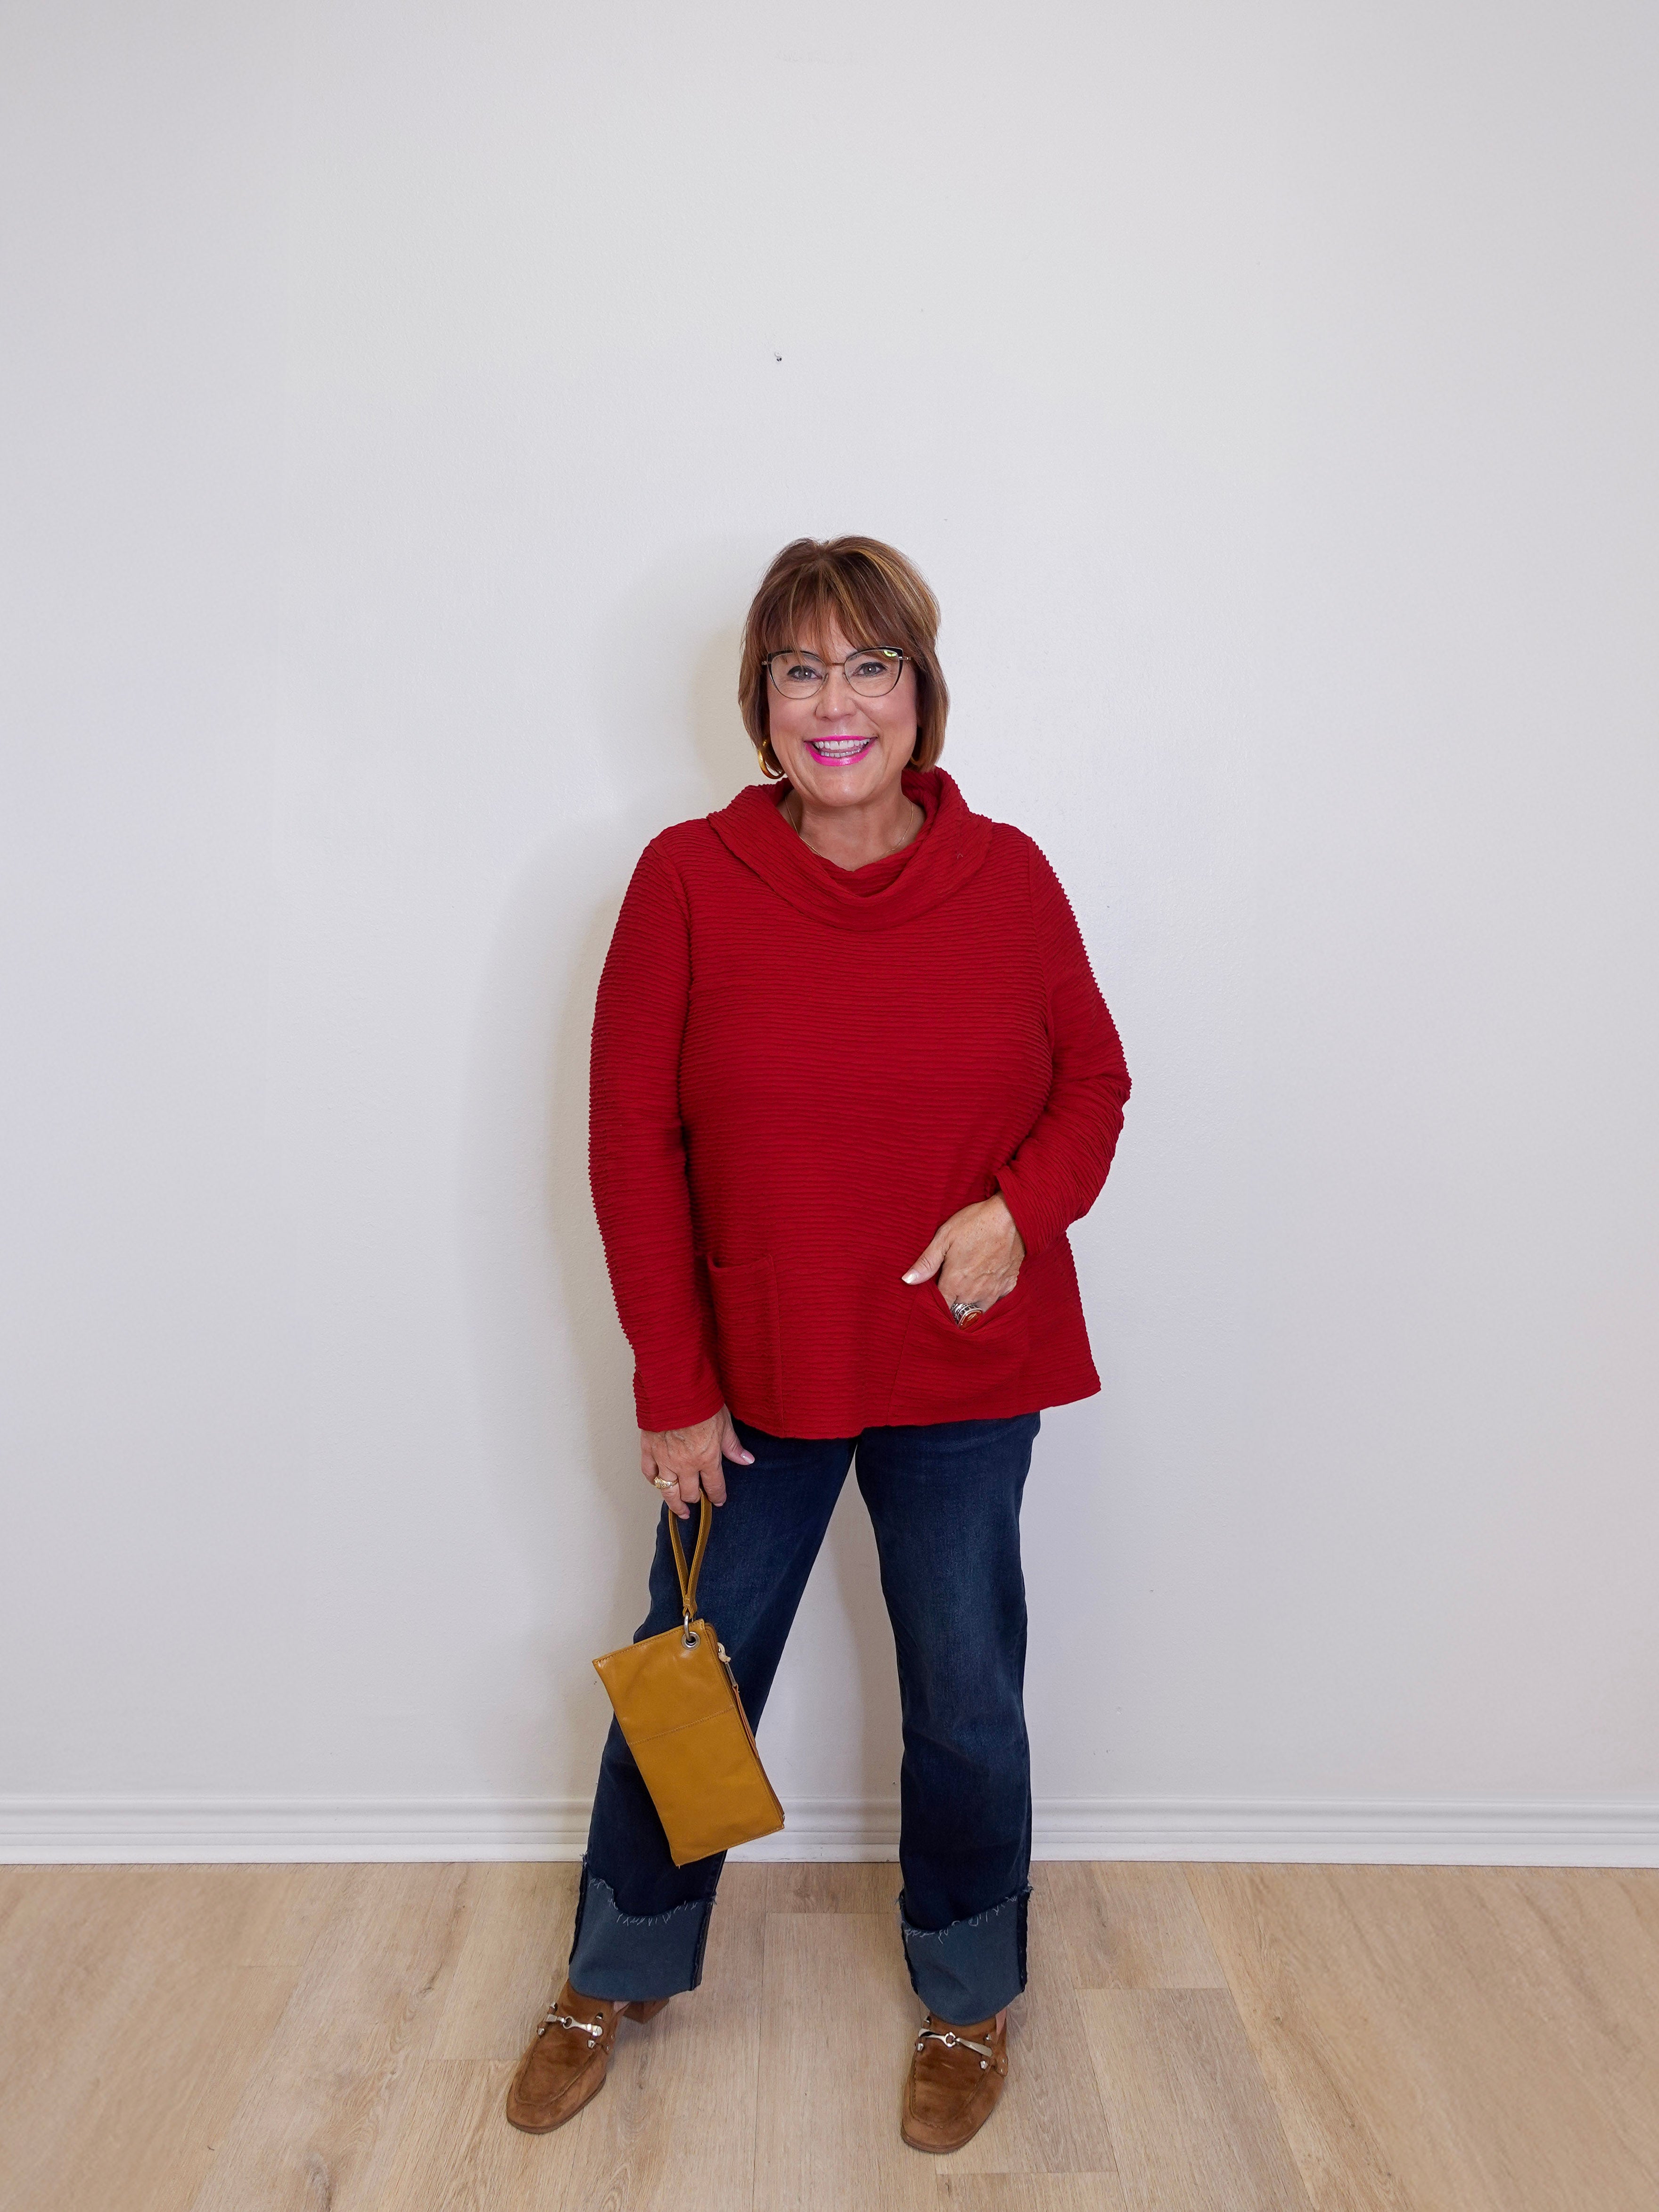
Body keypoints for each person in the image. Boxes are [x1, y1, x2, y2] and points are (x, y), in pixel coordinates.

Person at [507, 535, 1131, 2153]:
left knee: (965, 1692)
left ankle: (970, 1990)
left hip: (963, 1373)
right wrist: (672, 1386)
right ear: (762, 706)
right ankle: (616, 1964)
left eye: (871, 667)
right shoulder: (688, 883)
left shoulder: (1010, 880)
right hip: (755, 1385)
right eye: (803, 671)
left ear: (922, 695)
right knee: (692, 1677)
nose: (837, 702)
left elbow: (1095, 1089)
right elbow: (628, 1140)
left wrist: (1014, 1213)